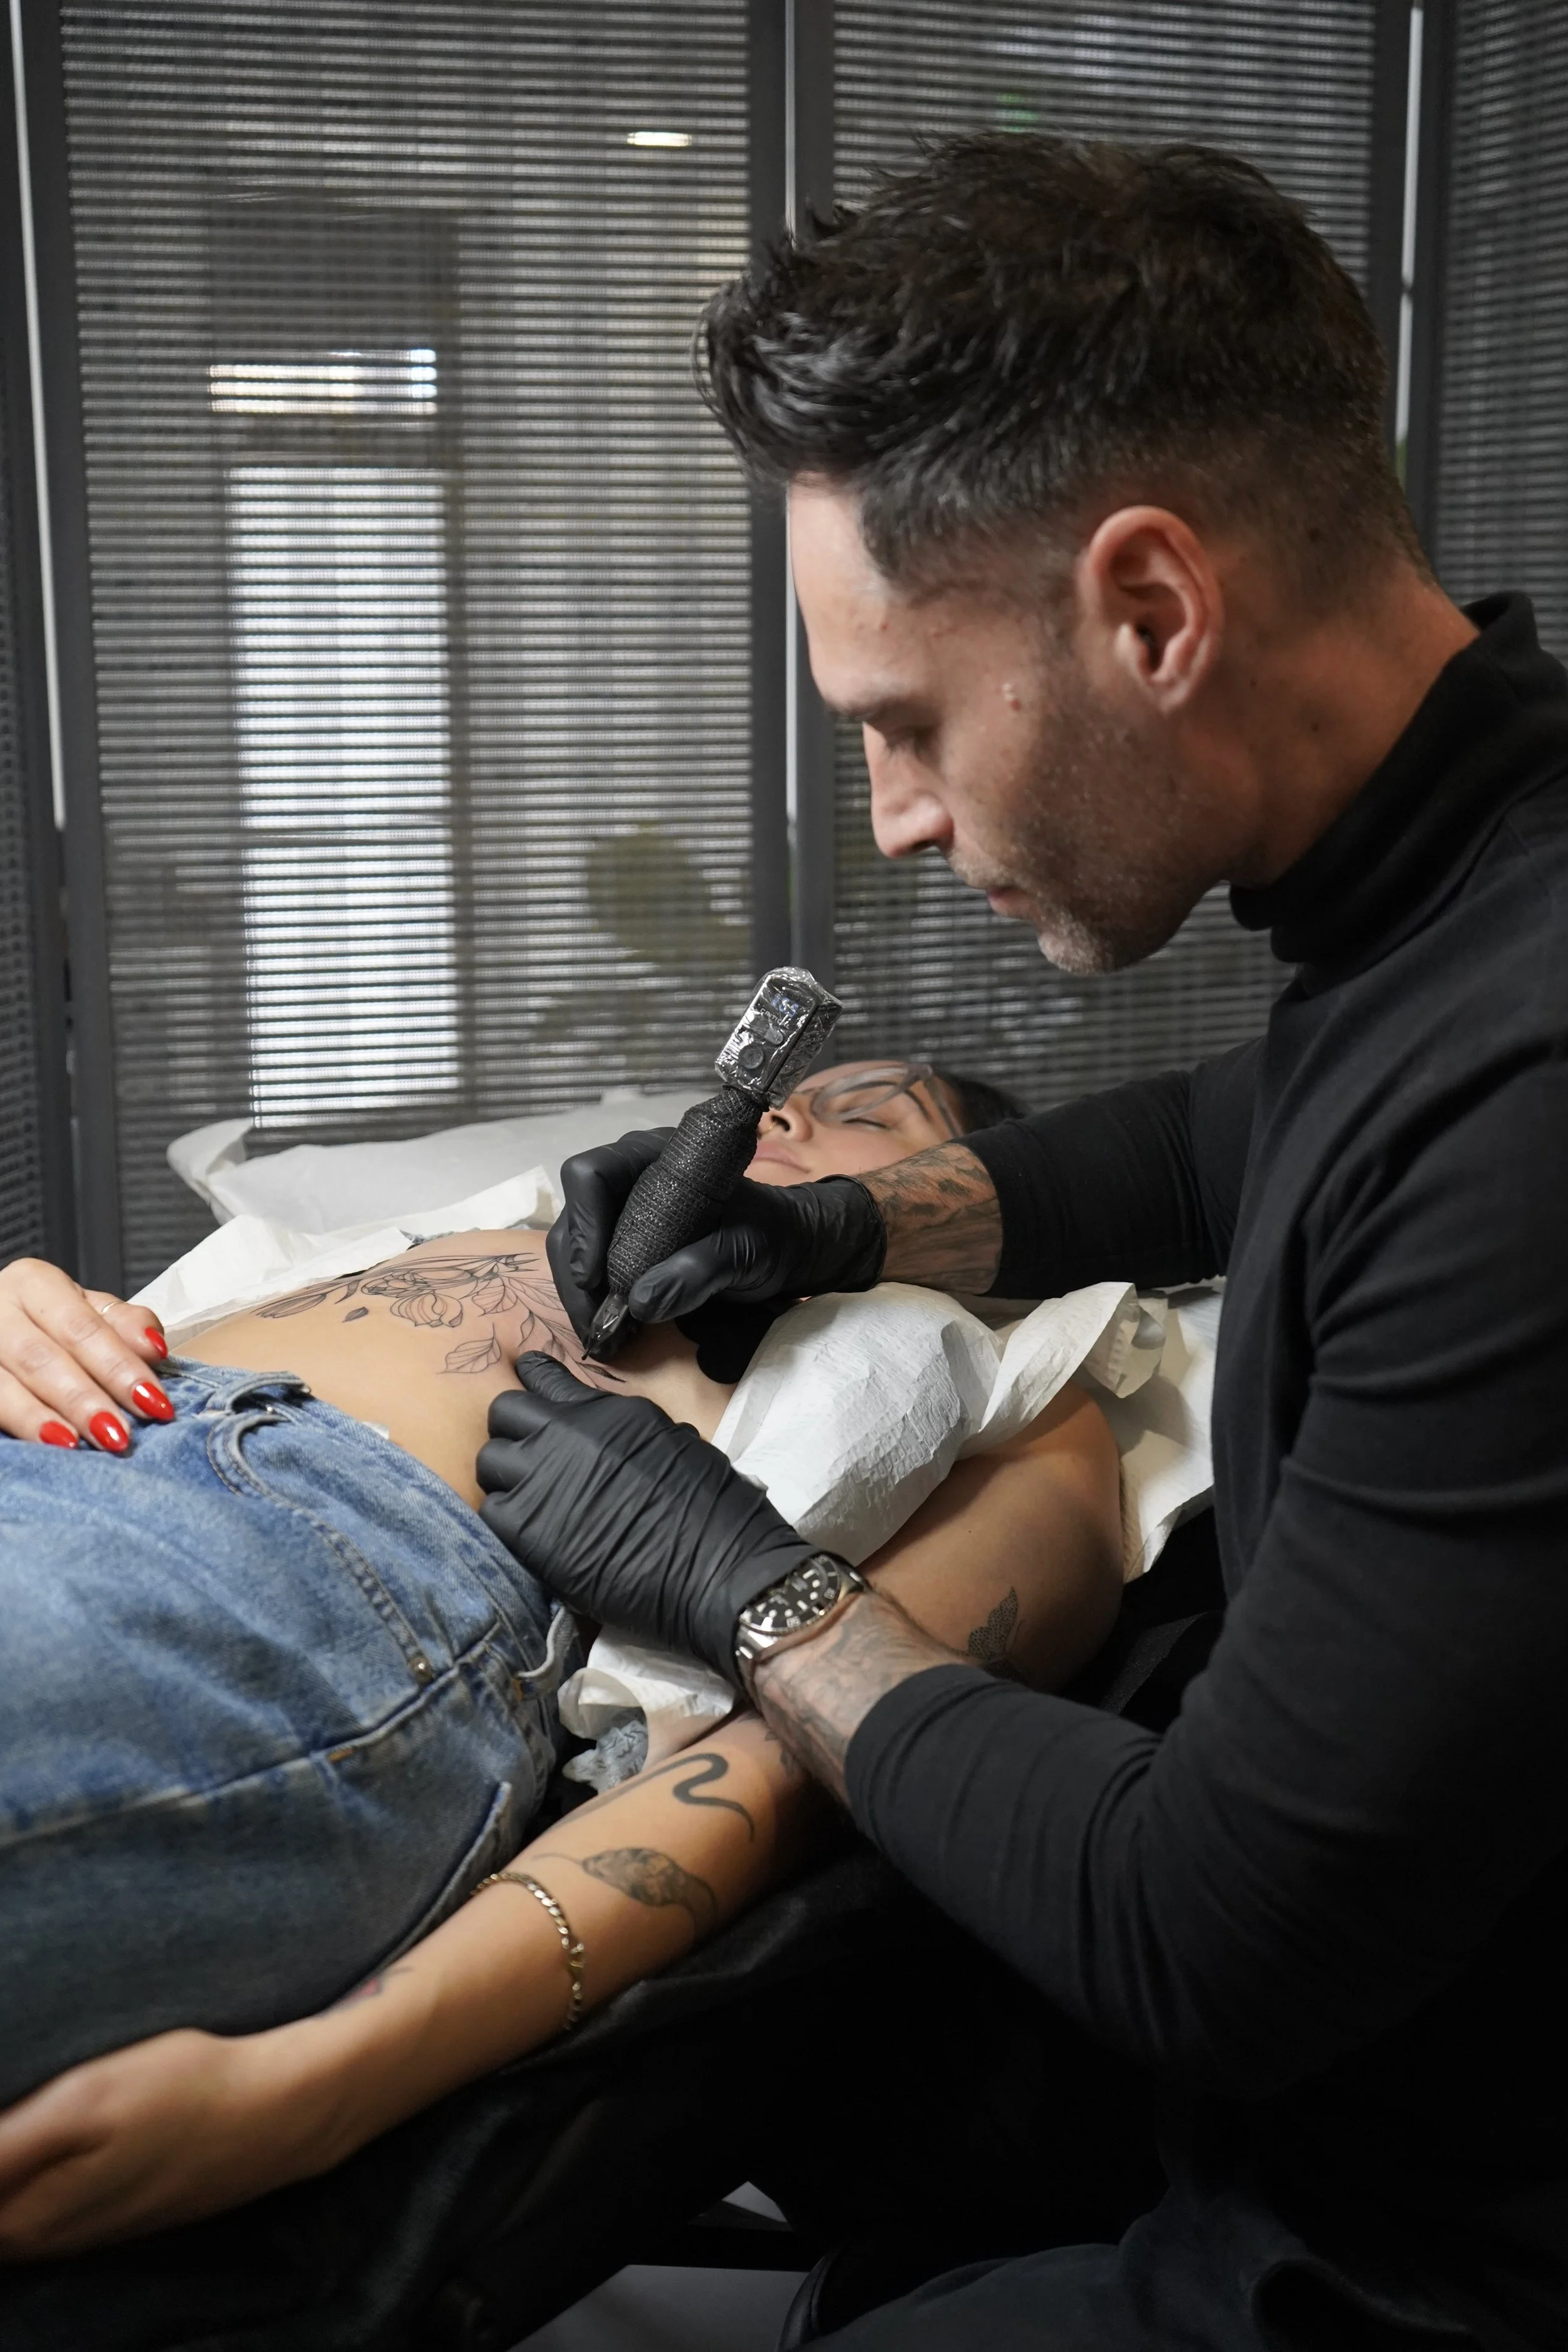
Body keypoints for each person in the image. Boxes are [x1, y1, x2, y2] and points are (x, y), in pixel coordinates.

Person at [472, 137, 1568, 2349]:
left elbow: (1209, 1934)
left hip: (1423, 2255)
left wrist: (748, 1588)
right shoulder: (1457, 884)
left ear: (1149, 609)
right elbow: (1219, 1144)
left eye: (904, 722)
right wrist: (822, 1223)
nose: (892, 817)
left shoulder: (1531, 1089)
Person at [0, 1059, 1118, 2253]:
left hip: (301, 1548)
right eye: (790, 1092)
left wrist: (328, 2084)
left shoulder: (1019, 1389)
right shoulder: (523, 1225)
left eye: (874, 1114)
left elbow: (804, 1770)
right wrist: (30, 1316)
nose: (785, 1108)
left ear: (982, 1196)